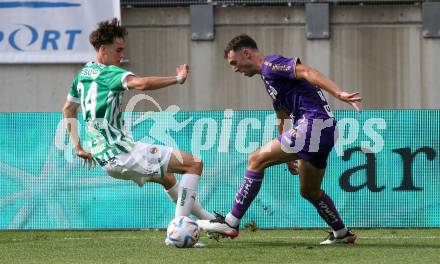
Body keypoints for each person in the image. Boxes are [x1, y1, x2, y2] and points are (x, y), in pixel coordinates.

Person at [61, 18, 215, 246]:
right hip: (123, 153)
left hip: (107, 160)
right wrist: (178, 79)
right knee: (194, 164)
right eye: (118, 50)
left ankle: (210, 222)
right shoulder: (110, 73)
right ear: (103, 49)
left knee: (168, 178)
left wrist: (77, 147)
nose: (121, 55)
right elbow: (141, 84)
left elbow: (68, 109)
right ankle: (178, 232)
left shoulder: (83, 74)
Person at [197, 34, 362, 245]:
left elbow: (306, 71)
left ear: (246, 53)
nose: (235, 69)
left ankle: (231, 222)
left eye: (234, 63)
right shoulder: (268, 77)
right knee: (309, 190)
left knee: (256, 159)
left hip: (314, 124)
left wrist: (339, 93)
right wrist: (287, 153)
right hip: (324, 129)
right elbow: (282, 114)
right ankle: (341, 232)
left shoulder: (270, 64)